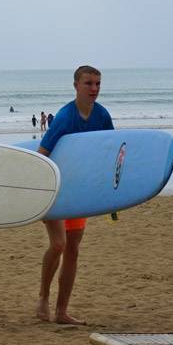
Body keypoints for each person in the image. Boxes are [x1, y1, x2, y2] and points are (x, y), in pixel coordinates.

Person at [35, 65, 114, 325]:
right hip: (54, 188)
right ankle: (43, 297)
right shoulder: (65, 117)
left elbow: (108, 153)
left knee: (72, 250)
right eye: (88, 83)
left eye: (97, 84)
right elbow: (42, 154)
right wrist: (37, 191)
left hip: (79, 191)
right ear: (76, 86)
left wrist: (110, 192)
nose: (94, 89)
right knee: (58, 245)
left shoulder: (102, 115)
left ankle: (61, 311)